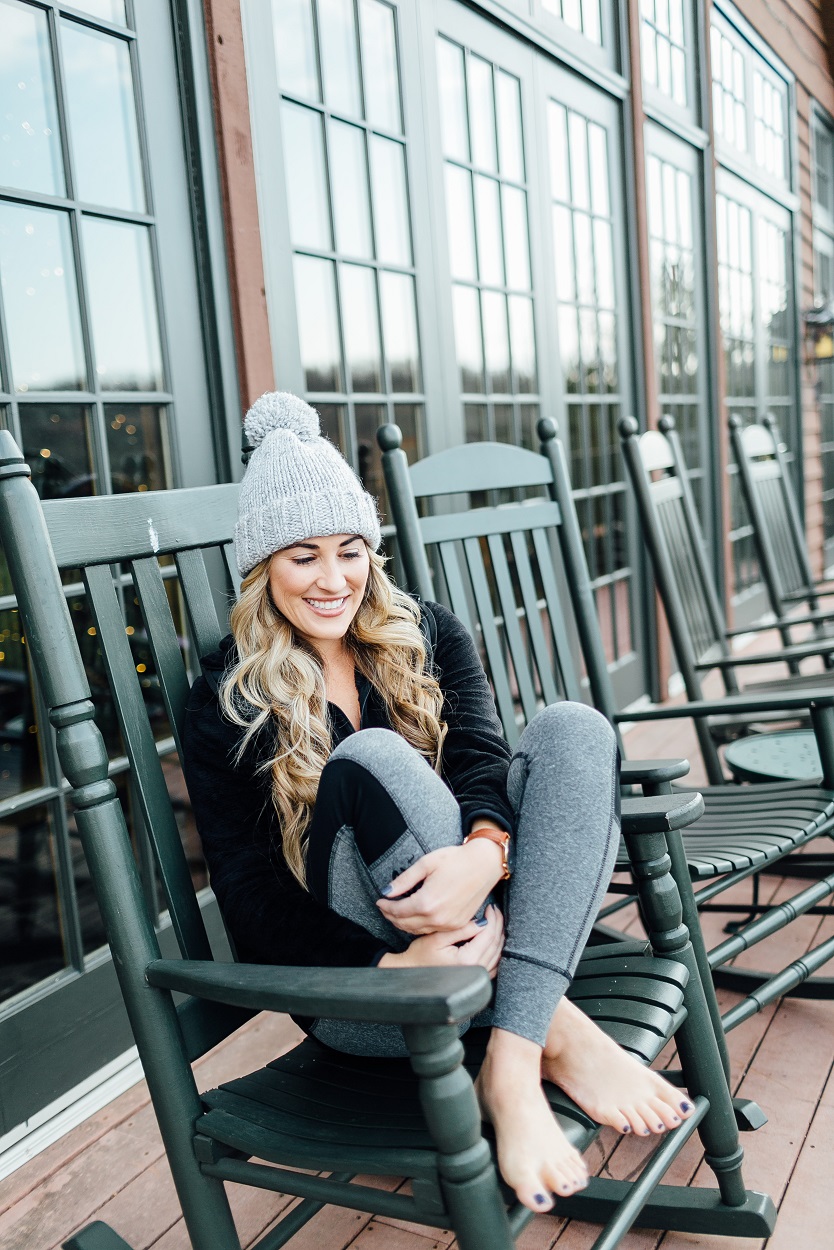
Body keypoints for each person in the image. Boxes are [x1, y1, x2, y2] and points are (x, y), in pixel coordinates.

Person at [183, 392, 694, 1214]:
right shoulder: (226, 700)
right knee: (373, 758)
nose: (333, 580)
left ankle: (512, 1057)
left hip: (485, 929)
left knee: (574, 729)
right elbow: (252, 901)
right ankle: (552, 1030)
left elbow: (486, 760)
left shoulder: (424, 631)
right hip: (370, 994)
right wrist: (392, 965)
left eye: (351, 551)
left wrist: (483, 854)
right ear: (262, 567)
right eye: (302, 555)